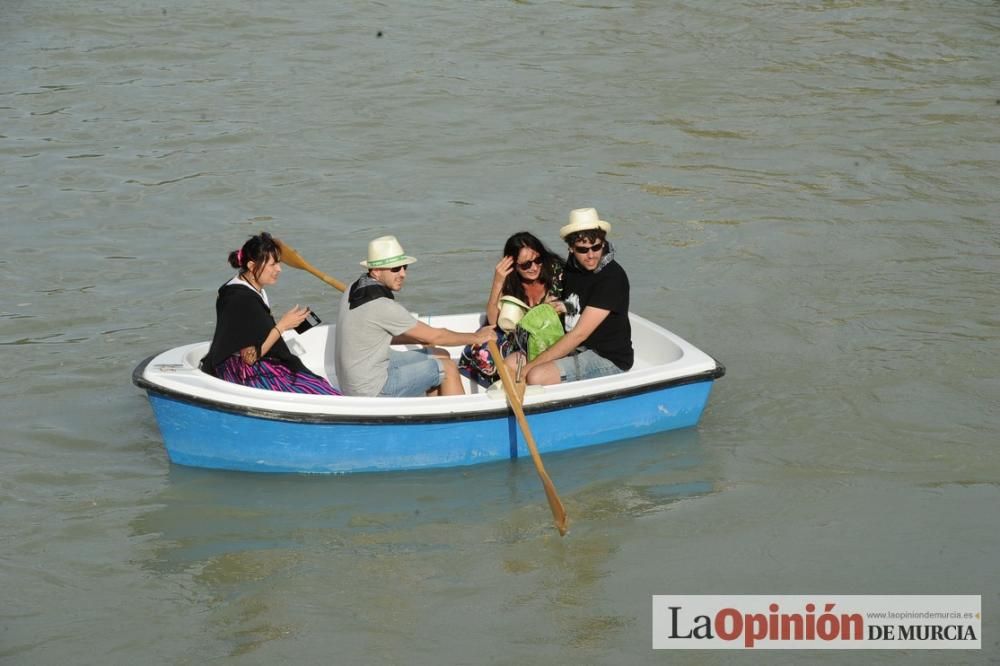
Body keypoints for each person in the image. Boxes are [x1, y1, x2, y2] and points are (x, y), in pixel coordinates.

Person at [334, 235, 496, 397]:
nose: (403, 274)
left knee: (441, 354)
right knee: (447, 368)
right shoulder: (383, 306)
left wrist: (420, 338)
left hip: (354, 379)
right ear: (376, 271)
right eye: (395, 269)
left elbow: (378, 336)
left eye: (404, 267)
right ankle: (457, 419)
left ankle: (433, 412)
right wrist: (477, 337)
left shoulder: (353, 288)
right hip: (371, 389)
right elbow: (435, 337)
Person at [200, 232, 341, 395]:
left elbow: (252, 328)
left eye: (279, 263)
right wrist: (282, 326)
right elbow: (250, 358)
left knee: (319, 386)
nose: (279, 269)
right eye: (273, 264)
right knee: (314, 391)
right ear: (252, 266)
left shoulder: (246, 288)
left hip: (249, 361)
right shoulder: (241, 299)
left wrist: (289, 325)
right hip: (243, 371)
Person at [513, 207, 633, 385]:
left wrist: (530, 367)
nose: (591, 256)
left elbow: (579, 334)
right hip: (575, 347)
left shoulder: (611, 278)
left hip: (607, 357)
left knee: (536, 375)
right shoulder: (571, 268)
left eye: (597, 247)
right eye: (583, 250)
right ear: (571, 248)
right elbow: (576, 303)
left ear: (603, 243)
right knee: (512, 362)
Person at [459, 232, 565, 385]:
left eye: (538, 260)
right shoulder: (510, 279)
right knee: (483, 345)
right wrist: (497, 282)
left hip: (546, 338)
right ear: (513, 265)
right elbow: (494, 320)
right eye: (526, 265)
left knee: (503, 357)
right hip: (518, 337)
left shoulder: (556, 271)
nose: (534, 267)